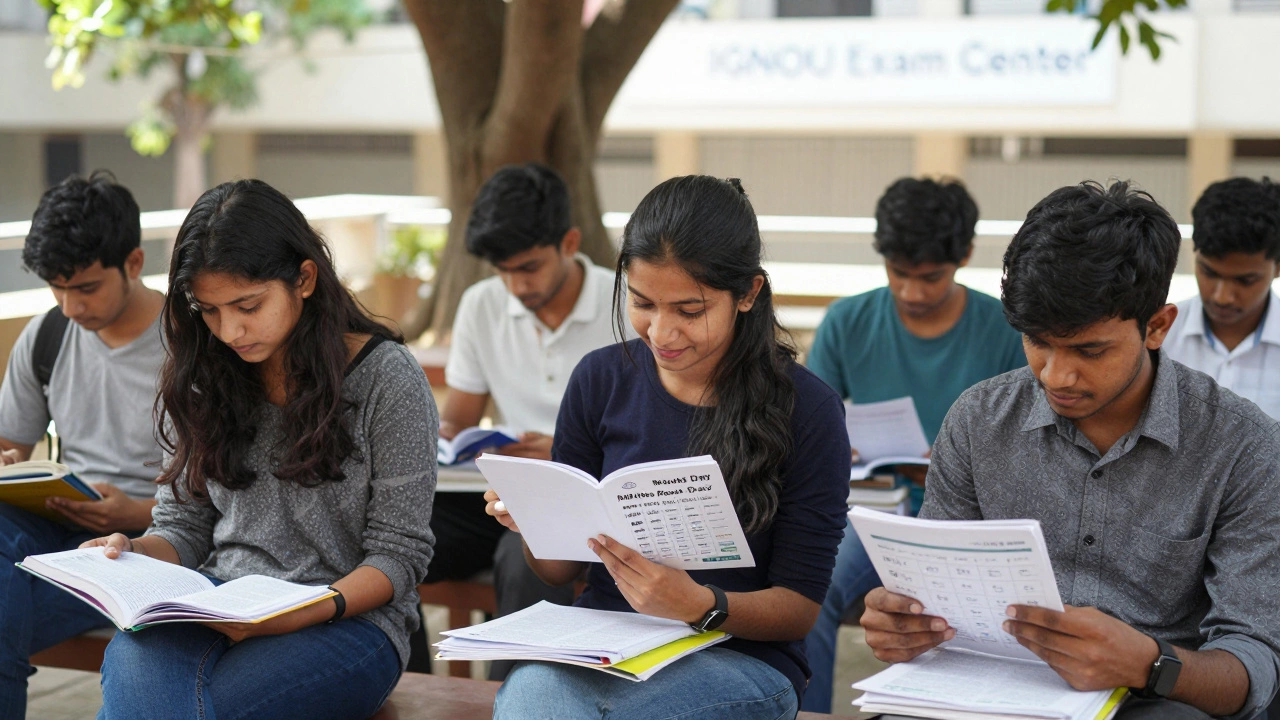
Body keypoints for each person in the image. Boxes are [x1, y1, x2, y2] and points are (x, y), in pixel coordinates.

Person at [862, 180, 1280, 720]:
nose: (1056, 375)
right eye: (1037, 341)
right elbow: (932, 601)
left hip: (1153, 700)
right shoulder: (977, 420)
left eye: (1089, 349)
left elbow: (1254, 669)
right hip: (987, 687)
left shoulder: (1241, 444)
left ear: (1157, 326)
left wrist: (1150, 664)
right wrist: (904, 626)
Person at [485, 175, 851, 719]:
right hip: (604, 643)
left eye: (690, 310)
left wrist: (699, 605)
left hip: (740, 657)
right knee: (528, 697)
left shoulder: (808, 409)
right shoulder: (600, 380)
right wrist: (534, 521)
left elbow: (797, 610)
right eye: (643, 303)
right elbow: (560, 572)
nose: (661, 332)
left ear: (748, 293)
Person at [83, 179, 437, 720]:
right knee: (136, 679)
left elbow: (399, 556)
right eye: (210, 310)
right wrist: (133, 554)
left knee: (214, 709)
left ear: (305, 278)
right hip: (217, 601)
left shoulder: (387, 379)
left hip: (347, 620)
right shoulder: (205, 371)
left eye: (248, 305)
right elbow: (184, 526)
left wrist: (297, 613)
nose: (230, 330)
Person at [800, 177, 1025, 712]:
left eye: (930, 277)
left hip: (970, 523)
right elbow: (807, 439)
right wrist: (840, 450)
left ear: (965, 256)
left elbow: (1026, 451)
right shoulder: (848, 321)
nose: (913, 292)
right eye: (899, 274)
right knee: (814, 584)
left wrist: (952, 467)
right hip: (872, 512)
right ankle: (803, 711)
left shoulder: (1005, 329)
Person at [424, 164, 619, 677]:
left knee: (523, 558)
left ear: (570, 242)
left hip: (583, 500)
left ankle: (514, 703)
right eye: (502, 270)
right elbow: (457, 426)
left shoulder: (621, 305)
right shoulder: (481, 305)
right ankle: (397, 688)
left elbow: (641, 435)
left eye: (528, 267)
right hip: (495, 496)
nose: (515, 284)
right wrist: (461, 443)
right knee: (401, 540)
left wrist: (565, 451)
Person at [0, 171, 166, 717]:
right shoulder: (47, 336)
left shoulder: (194, 346)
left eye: (86, 288)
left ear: (134, 264)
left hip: (152, 544)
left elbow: (226, 497)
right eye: (57, 287)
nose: (70, 307)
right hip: (57, 526)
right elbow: (10, 444)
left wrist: (137, 511)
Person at [1165, 177, 1280, 419]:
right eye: (1209, 272)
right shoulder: (1157, 336)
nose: (1222, 296)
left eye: (1245, 280)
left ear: (1277, 268)